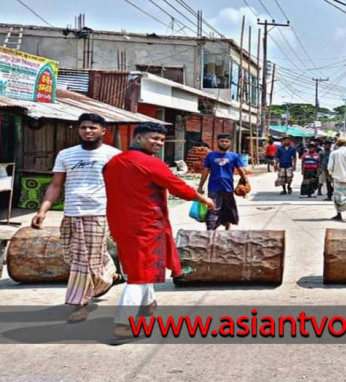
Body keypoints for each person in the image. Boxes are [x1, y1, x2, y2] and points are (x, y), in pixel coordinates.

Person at [103, 123, 214, 343]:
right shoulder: (150, 163)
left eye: (162, 140)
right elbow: (177, 187)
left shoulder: (113, 162)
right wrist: (203, 199)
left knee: (143, 267)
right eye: (154, 138)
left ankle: (148, 305)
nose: (158, 143)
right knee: (138, 275)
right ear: (138, 137)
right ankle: (124, 324)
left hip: (120, 224)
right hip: (145, 225)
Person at [30, 113, 123, 323]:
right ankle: (109, 273)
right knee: (73, 256)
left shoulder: (113, 155)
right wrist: (42, 210)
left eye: (93, 128)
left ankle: (80, 304)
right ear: (78, 130)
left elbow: (122, 186)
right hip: (71, 213)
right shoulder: (66, 155)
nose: (88, 131)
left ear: (102, 131)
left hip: (98, 212)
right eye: (84, 127)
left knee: (83, 260)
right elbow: (56, 185)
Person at [197, 134, 249, 231]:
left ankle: (227, 229)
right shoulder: (211, 155)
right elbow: (205, 171)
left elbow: (241, 170)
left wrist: (246, 182)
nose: (224, 143)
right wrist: (201, 185)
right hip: (213, 188)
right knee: (213, 210)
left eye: (226, 141)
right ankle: (210, 232)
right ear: (217, 141)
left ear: (230, 143)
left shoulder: (234, 156)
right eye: (222, 141)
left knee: (228, 209)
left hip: (228, 187)